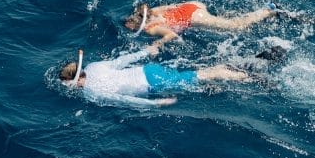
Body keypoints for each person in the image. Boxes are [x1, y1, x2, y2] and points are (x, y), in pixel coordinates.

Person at [58, 44, 250, 107]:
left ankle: (244, 76)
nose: (68, 87)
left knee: (201, 76)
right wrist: (145, 52)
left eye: (67, 83)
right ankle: (229, 68)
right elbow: (121, 61)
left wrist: (155, 103)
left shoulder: (91, 91)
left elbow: (123, 99)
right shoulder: (93, 66)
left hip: (153, 83)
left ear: (75, 79)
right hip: (148, 69)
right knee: (194, 76)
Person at [124, 0, 280, 49]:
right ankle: (233, 15)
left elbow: (171, 34)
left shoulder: (150, 29)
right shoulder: (153, 11)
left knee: (236, 26)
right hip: (192, 5)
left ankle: (269, 10)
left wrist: (157, 44)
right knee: (220, 21)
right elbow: (172, 7)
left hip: (194, 17)